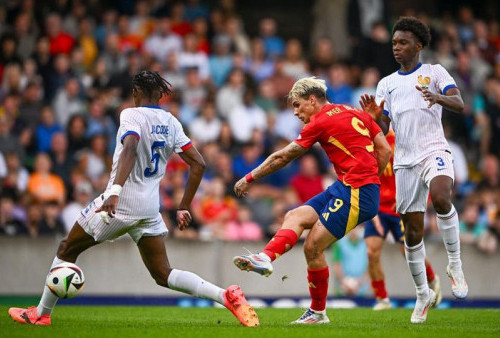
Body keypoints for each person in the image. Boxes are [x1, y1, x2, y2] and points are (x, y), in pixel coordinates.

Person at [8, 71, 258, 327]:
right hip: (150, 207)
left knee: (67, 248)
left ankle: (41, 313)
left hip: (122, 202)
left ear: (136, 92)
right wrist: (183, 206)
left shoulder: (131, 114)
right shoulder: (171, 122)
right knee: (163, 273)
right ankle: (226, 296)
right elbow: (199, 164)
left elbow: (130, 147)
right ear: (160, 94)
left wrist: (114, 192)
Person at [232, 76, 392, 324]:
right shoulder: (354, 111)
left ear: (312, 100)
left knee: (312, 246)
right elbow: (385, 150)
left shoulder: (320, 121)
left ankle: (318, 313)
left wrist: (249, 178)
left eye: (297, 105)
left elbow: (282, 158)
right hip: (349, 186)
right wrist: (372, 180)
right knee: (294, 216)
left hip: (356, 190)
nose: (296, 112)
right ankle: (265, 258)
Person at [359, 16, 468, 324]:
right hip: (404, 160)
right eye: (394, 42)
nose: (397, 47)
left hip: (434, 149)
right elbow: (383, 127)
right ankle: (422, 293)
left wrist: (438, 97)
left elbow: (459, 103)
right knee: (413, 234)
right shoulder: (387, 83)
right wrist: (374, 117)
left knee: (442, 197)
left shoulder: (434, 72)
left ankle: (455, 265)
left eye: (403, 42)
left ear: (418, 45)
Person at [364, 130, 442, 310]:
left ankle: (431, 279)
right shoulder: (366, 141)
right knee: (371, 252)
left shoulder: (401, 139)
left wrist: (409, 195)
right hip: (377, 206)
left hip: (399, 205)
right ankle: (382, 299)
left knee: (408, 251)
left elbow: (418, 169)